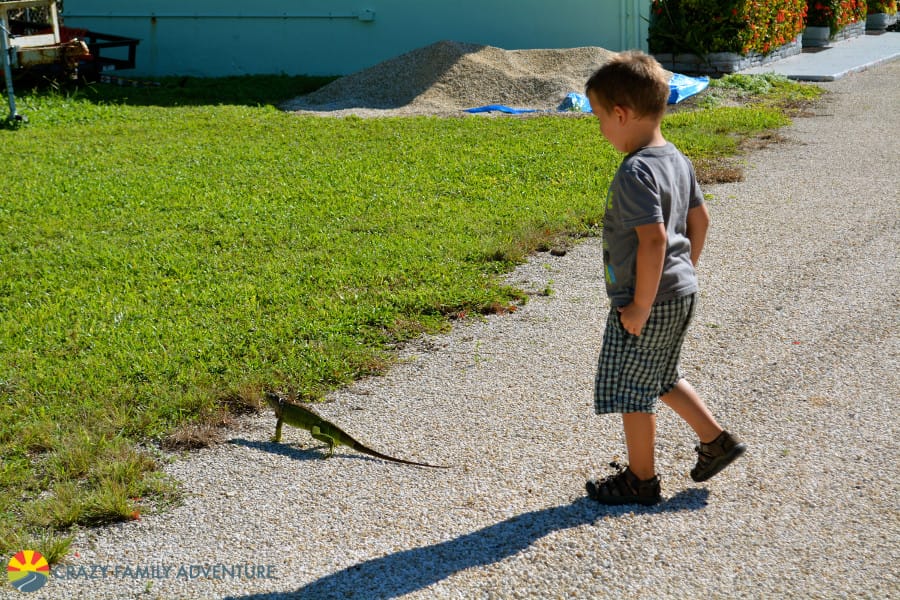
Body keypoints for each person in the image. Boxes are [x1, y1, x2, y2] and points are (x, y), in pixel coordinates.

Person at [583, 51, 746, 506]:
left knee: (634, 390)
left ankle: (641, 480)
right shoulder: (675, 158)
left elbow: (653, 241)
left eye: (599, 117)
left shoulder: (636, 171)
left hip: (648, 298)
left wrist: (640, 304)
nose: (600, 128)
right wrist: (685, 269)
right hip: (680, 291)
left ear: (621, 113)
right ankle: (716, 441)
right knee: (661, 374)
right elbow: (702, 220)